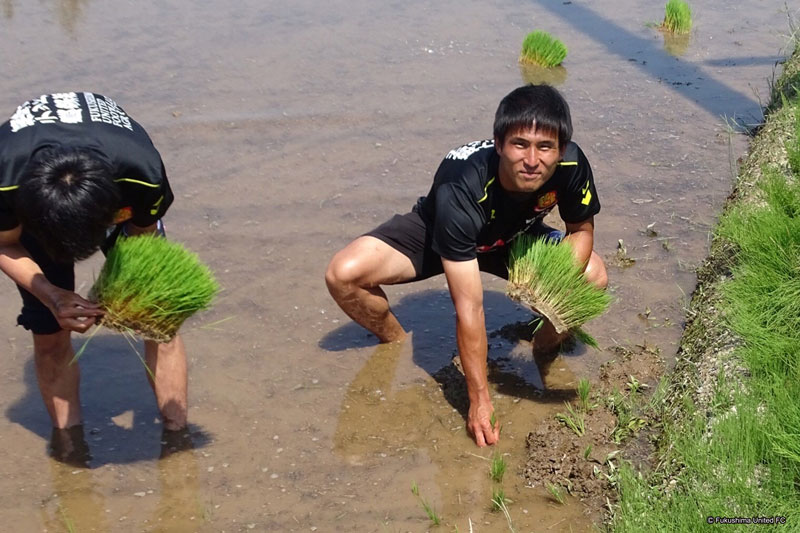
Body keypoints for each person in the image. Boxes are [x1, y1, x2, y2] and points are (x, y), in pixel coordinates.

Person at [326, 84, 608, 447]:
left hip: (514, 238)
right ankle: (394, 343)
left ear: (562, 148)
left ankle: (543, 346)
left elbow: (580, 231)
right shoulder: (461, 185)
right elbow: (470, 308)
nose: (532, 160)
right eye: (520, 144)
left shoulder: (572, 165)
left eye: (544, 147)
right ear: (499, 143)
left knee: (592, 276)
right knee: (343, 274)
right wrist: (479, 399)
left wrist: (554, 292)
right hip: (441, 235)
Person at [0, 92, 189, 464]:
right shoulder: (4, 180)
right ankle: (70, 449)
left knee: (160, 323)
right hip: (33, 197)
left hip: (117, 193)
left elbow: (141, 238)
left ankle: (177, 440)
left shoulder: (142, 175)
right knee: (49, 332)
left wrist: (124, 294)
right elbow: (5, 243)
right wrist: (52, 295)